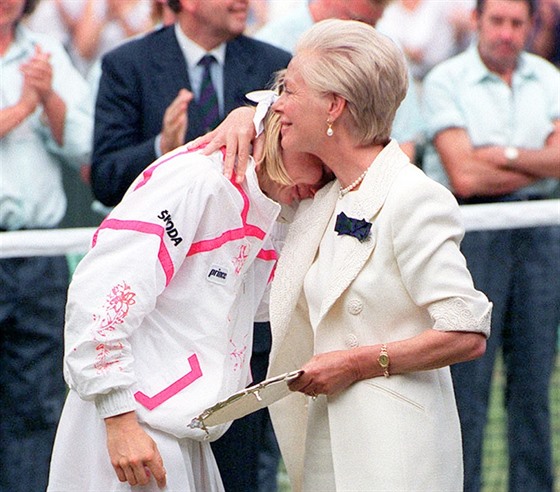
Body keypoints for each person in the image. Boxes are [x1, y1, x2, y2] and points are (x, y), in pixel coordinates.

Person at [195, 18, 492, 491]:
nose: (279, 104)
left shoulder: (412, 197)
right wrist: (244, 119)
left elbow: (466, 331)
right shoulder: (323, 196)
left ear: (334, 107)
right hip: (326, 449)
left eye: (289, 90)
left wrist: (354, 363)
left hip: (399, 455)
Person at [47, 109, 326, 492]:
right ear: (283, 131)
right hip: (136, 427)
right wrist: (118, 418)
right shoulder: (197, 180)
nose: (319, 182)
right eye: (317, 160)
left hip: (179, 426)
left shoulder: (268, 204)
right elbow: (102, 291)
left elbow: (263, 305)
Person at [89, 2, 291, 489]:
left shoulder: (276, 65)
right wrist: (162, 147)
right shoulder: (127, 64)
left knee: (244, 476)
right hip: (156, 352)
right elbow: (105, 176)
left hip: (241, 341)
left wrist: (249, 113)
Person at [421, 1, 560, 491]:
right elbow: (463, 171)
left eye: (517, 23)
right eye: (497, 21)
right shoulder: (444, 79)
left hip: (541, 234)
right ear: (477, 22)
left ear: (530, 27)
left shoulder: (549, 78)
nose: (506, 33)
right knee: (467, 387)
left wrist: (498, 155)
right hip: (471, 234)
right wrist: (534, 158)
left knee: (533, 385)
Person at [0, 1, 94, 491]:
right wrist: (22, 107)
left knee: (37, 402)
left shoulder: (45, 52)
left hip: (37, 251)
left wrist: (48, 96)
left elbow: (82, 145)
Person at [253, 0, 425, 163]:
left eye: (372, 23)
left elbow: (404, 139)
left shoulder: (384, 48)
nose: (362, 32)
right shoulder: (270, 45)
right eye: (356, 19)